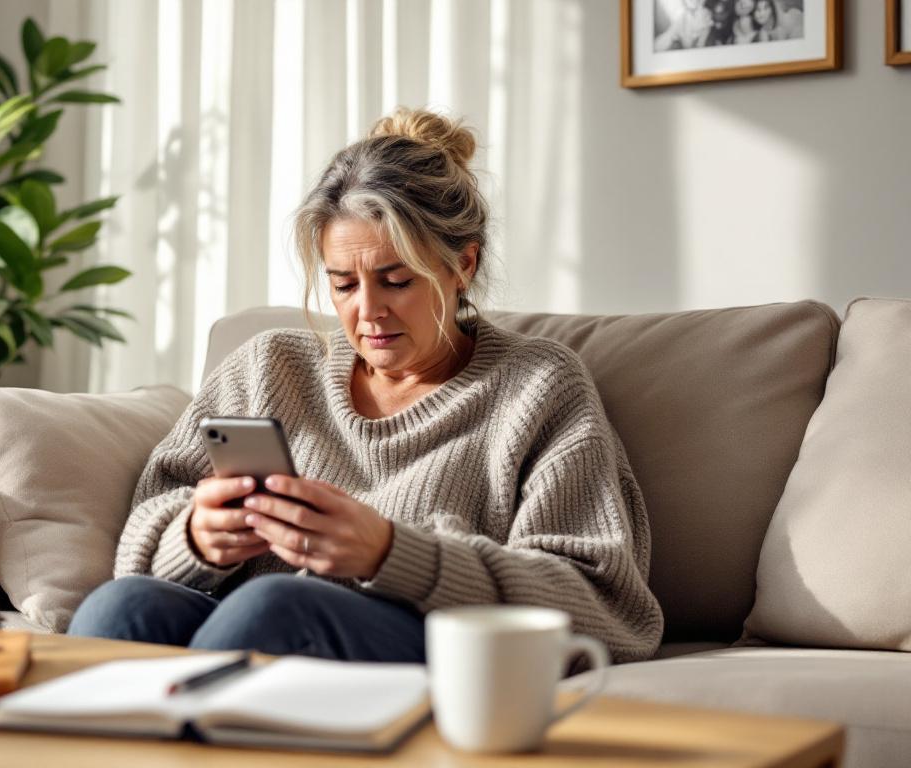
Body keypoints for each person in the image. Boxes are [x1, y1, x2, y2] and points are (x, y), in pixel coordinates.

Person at [67, 107, 665, 665]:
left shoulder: (537, 388)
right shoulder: (268, 367)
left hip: (419, 635)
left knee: (274, 606)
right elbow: (138, 542)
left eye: (396, 280)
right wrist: (197, 537)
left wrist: (391, 554)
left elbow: (605, 605)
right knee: (119, 607)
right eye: (343, 285)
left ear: (464, 266)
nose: (368, 312)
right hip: (238, 614)